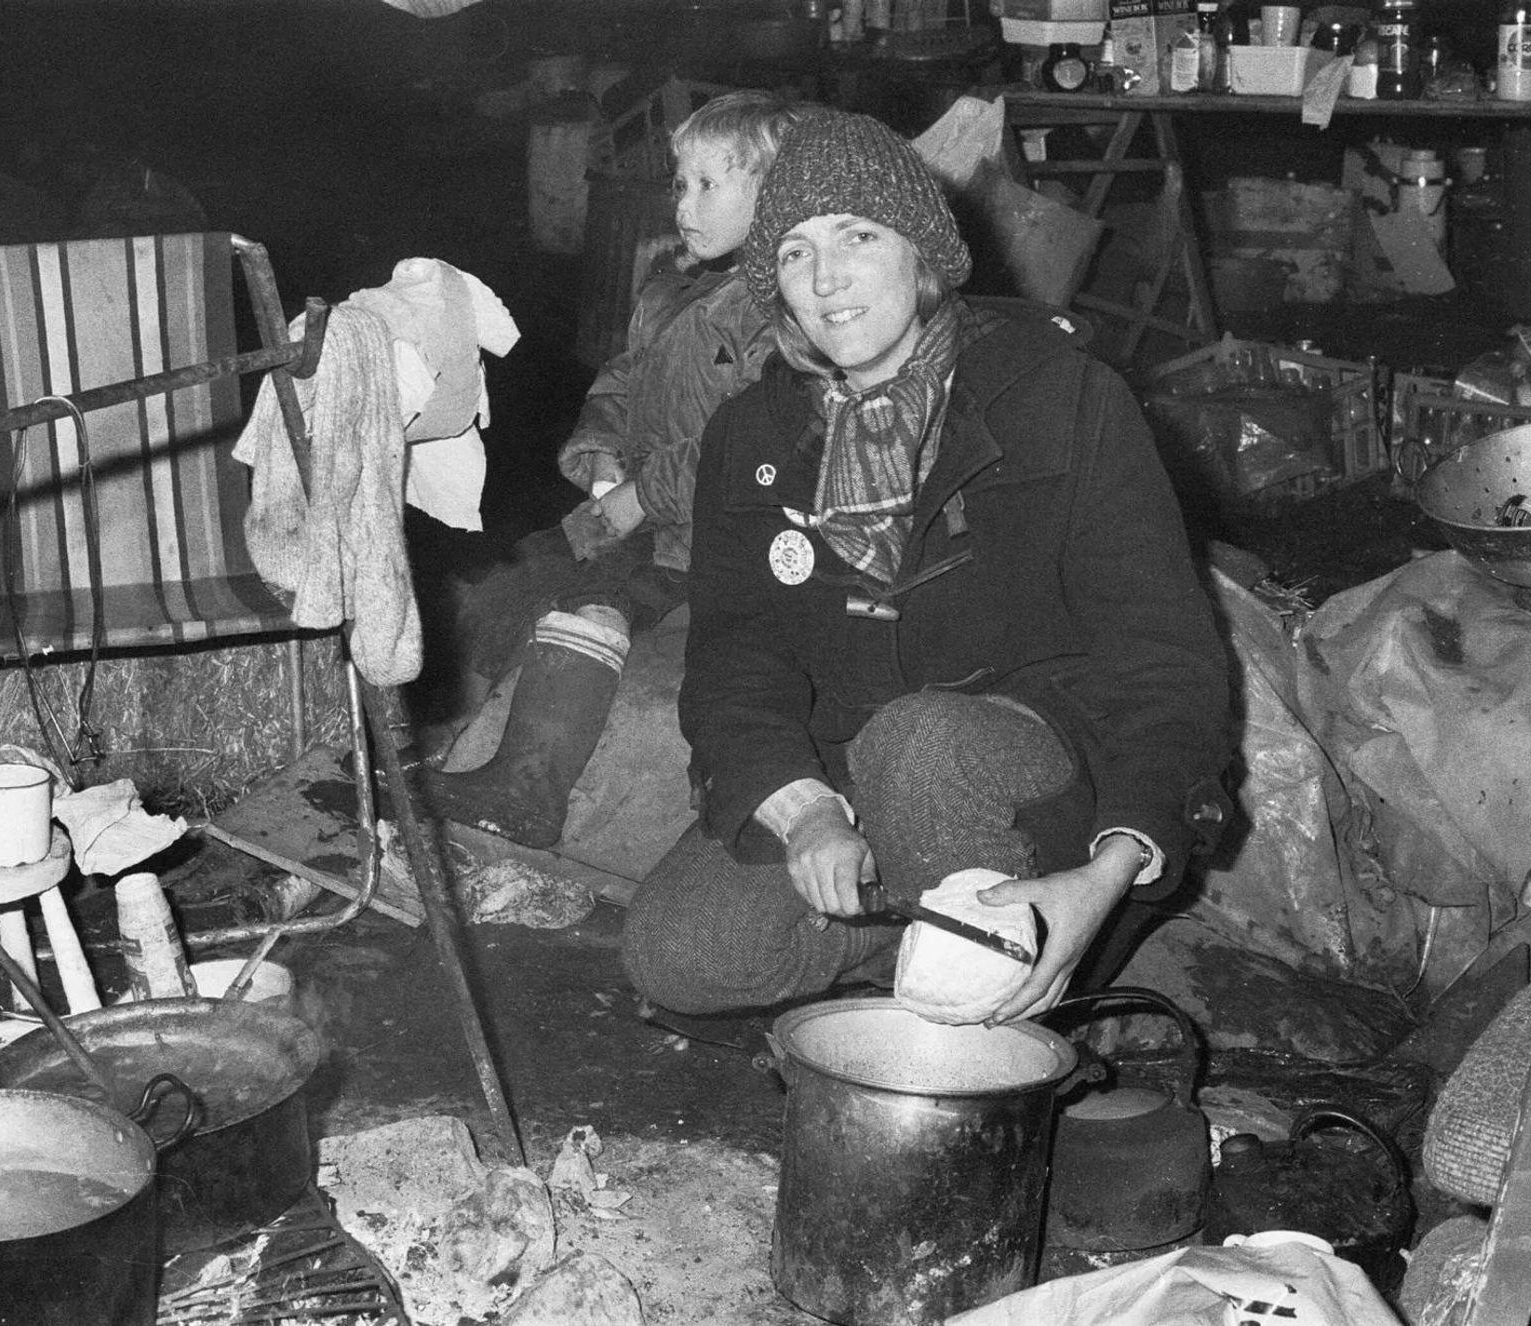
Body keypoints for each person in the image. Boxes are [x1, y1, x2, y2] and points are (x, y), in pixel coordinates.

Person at [620, 110, 1234, 1023]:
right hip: (854, 765)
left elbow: (1164, 660)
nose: (826, 279)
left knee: (923, 743)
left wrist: (1109, 874)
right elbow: (735, 654)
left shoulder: (1063, 400)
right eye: (793, 252)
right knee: (682, 954)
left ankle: (1021, 962)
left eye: (857, 236)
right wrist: (806, 811)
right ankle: (921, 946)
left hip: (1045, 773)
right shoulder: (750, 435)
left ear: (923, 253)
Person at [415, 90, 810, 849]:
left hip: (717, 535)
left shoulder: (780, 313)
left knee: (599, 596)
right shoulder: (677, 291)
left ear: (777, 197)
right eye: (679, 183)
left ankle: (530, 785)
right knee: (516, 574)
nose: (683, 203)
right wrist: (598, 452)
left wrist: (642, 496)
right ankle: (471, 736)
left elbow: (753, 442)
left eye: (707, 184)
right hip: (641, 503)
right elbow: (623, 380)